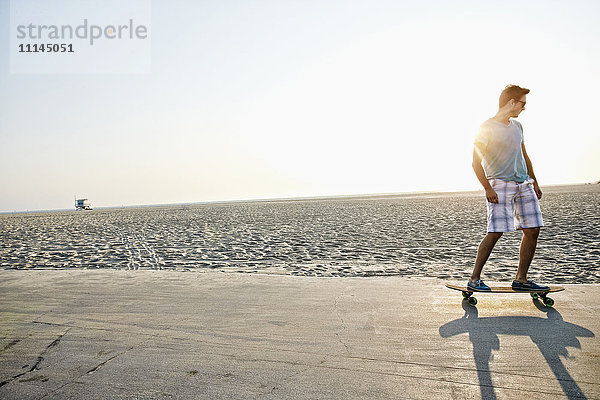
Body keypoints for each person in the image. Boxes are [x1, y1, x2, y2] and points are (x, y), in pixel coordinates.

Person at [468, 84, 549, 291]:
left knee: (533, 230)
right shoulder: (486, 127)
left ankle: (521, 279)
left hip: (524, 184)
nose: (524, 108)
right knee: (495, 232)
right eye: (522, 103)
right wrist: (487, 188)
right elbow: (476, 162)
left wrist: (534, 180)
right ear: (511, 102)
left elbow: (524, 155)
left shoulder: (517, 127)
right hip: (499, 184)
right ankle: (474, 278)